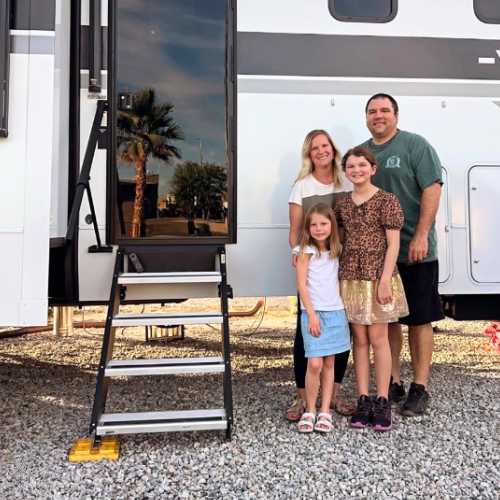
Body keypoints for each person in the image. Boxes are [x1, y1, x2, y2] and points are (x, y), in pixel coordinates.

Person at [362, 93, 445, 416]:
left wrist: (422, 234)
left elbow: (432, 187)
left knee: (420, 319)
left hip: (415, 250)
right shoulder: (364, 153)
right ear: (366, 117)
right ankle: (393, 380)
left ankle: (420, 387)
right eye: (372, 111)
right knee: (389, 318)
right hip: (380, 257)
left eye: (384, 110)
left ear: (396, 115)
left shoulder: (415, 145)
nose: (378, 116)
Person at [335, 147, 409, 431]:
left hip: (379, 276)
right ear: (345, 171)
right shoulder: (342, 204)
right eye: (351, 166)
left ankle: (382, 400)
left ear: (373, 168)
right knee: (360, 340)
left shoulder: (387, 201)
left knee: (379, 338)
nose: (356, 170)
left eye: (362, 165)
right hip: (351, 278)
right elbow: (340, 241)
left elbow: (394, 244)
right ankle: (363, 398)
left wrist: (385, 280)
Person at [286, 129, 353, 423]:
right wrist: (298, 253)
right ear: (308, 154)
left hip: (344, 265)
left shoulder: (347, 181)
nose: (321, 151)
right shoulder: (301, 186)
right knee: (306, 335)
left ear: (333, 149)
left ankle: (333, 395)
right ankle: (303, 398)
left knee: (341, 335)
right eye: (315, 148)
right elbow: (295, 229)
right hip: (314, 267)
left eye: (325, 146)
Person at [295, 203, 351, 433]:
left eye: (324, 224)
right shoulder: (305, 251)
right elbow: (302, 285)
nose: (319, 229)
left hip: (336, 312)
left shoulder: (338, 250)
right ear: (308, 227)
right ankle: (310, 409)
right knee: (315, 363)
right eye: (314, 224)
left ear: (332, 226)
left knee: (329, 363)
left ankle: (325, 410)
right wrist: (311, 315)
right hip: (314, 313)